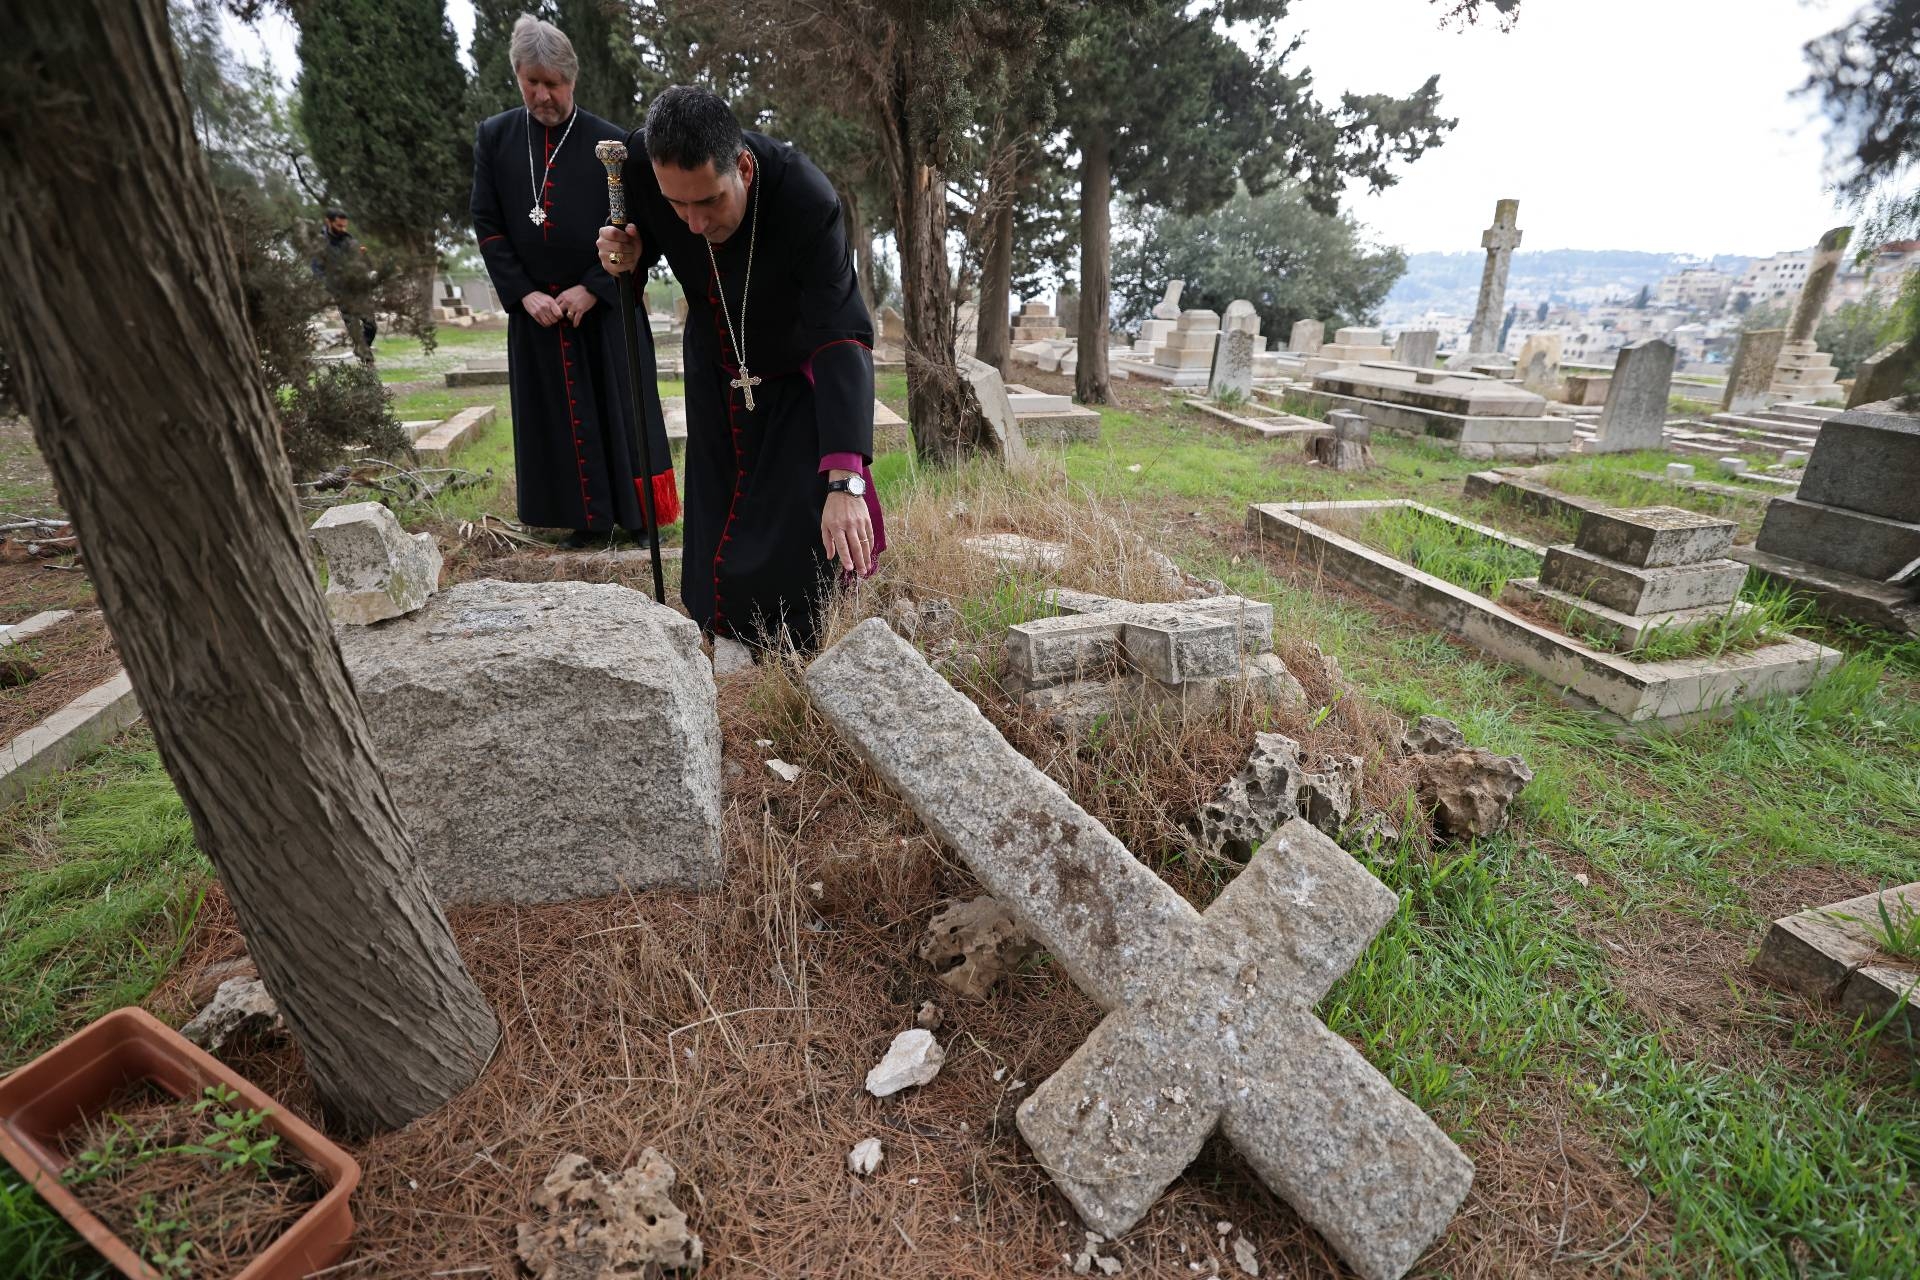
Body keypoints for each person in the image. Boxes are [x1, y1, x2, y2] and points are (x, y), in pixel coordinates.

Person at [597, 86, 882, 650]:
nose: (695, 223)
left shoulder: (806, 199)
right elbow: (636, 245)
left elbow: (841, 332)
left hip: (791, 365)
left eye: (709, 202)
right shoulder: (636, 165)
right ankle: (714, 624)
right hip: (714, 356)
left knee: (791, 519)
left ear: (744, 168)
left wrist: (845, 477)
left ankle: (788, 640)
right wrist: (624, 257)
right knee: (716, 501)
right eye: (679, 207)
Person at [471, 15, 677, 548]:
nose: (541, 95)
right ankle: (581, 522)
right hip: (538, 315)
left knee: (622, 411)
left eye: (552, 84)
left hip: (605, 308)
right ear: (518, 77)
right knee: (556, 423)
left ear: (572, 80)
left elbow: (639, 232)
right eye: (531, 83)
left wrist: (593, 286)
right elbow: (488, 225)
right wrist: (523, 293)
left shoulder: (611, 143)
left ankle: (637, 519)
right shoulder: (495, 138)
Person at [314, 207, 376, 363]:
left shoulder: (349, 239)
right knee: (353, 324)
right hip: (340, 291)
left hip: (358, 288)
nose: (343, 229)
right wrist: (328, 285)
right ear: (328, 222)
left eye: (345, 226)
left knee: (371, 325)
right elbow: (317, 268)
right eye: (339, 226)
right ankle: (366, 359)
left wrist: (364, 258)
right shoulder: (320, 243)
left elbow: (361, 263)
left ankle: (362, 348)